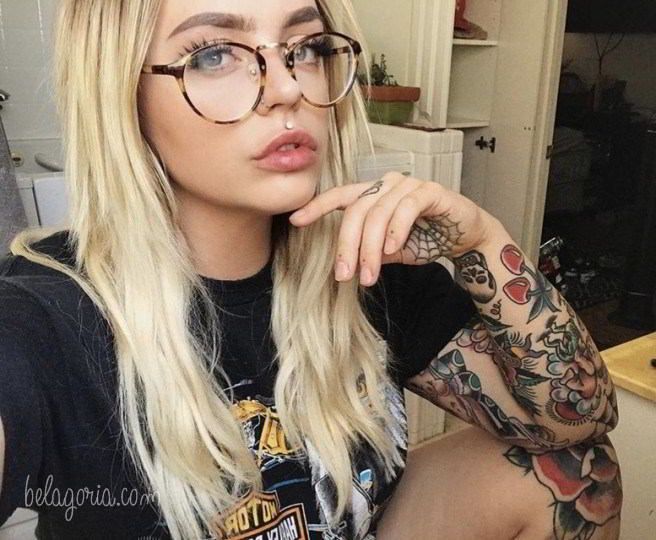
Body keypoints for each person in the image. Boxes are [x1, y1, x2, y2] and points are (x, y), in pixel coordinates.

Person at [0, 1, 622, 539]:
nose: (287, 87)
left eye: (306, 48)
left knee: (575, 474)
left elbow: (575, 422)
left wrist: (481, 243)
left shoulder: (362, 264)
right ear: (121, 94)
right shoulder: (44, 318)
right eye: (214, 55)